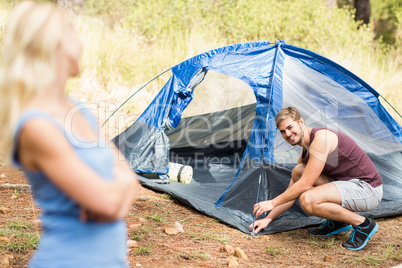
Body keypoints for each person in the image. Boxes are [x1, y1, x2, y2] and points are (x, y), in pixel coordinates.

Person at [0, 1, 139, 267]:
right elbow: (110, 200)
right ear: (53, 44)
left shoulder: (76, 108)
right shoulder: (36, 126)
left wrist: (114, 197)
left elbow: (127, 177)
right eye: (73, 33)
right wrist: (115, 197)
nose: (82, 44)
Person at [249, 107, 383, 251]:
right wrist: (268, 219)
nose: (287, 134)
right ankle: (338, 222)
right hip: (348, 186)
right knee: (298, 171)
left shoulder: (321, 138)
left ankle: (363, 224)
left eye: (290, 127)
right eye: (282, 131)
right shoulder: (305, 152)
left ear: (301, 122)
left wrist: (272, 202)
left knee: (308, 199)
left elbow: (305, 185)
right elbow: (291, 191)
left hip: (368, 189)